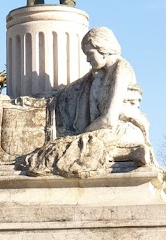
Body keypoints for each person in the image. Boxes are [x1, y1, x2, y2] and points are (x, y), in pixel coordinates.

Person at [21, 27, 154, 176]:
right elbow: (69, 92)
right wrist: (38, 98)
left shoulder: (121, 68)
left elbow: (110, 119)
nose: (87, 59)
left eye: (90, 54)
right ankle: (131, 152)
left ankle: (133, 151)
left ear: (104, 49)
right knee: (67, 147)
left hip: (122, 130)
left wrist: (82, 133)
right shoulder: (98, 74)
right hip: (106, 129)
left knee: (68, 148)